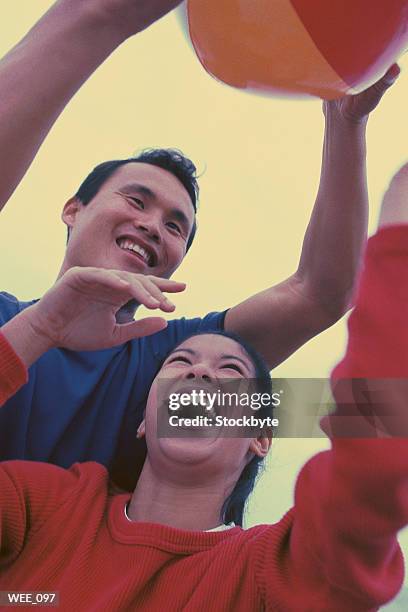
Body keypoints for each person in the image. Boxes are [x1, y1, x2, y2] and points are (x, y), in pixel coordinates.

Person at [0, 0, 400, 488]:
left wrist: (346, 122)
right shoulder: (6, 320)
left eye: (175, 227)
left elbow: (319, 295)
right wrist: (99, 17)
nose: (152, 225)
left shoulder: (176, 368)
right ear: (73, 209)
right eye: (136, 200)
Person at [1, 163, 408, 610]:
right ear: (141, 418)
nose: (200, 373)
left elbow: (376, 442)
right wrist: (43, 325)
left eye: (231, 371)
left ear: (261, 435)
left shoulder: (270, 572)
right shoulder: (45, 507)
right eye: (136, 201)